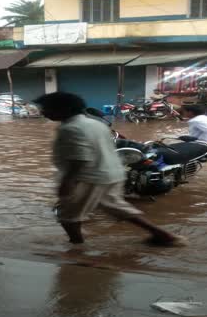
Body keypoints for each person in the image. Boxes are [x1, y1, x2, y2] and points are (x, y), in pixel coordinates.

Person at [35, 91, 185, 246]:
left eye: (47, 108)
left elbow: (79, 159)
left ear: (63, 109)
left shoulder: (70, 128)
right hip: (111, 173)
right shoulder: (95, 123)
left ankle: (77, 249)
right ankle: (163, 235)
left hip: (87, 178)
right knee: (117, 207)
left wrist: (67, 183)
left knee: (67, 216)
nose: (43, 112)